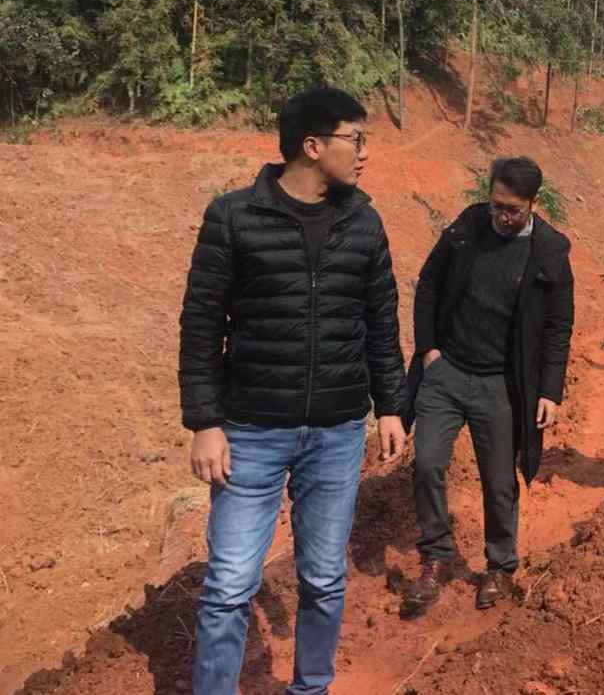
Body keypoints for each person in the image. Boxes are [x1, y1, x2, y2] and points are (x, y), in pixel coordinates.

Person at [179, 86, 408, 695]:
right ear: (312, 146)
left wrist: (391, 406)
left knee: (325, 579)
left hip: (336, 432)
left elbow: (381, 322)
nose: (364, 153)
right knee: (229, 585)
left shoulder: (364, 222)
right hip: (249, 432)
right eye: (355, 139)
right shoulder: (234, 217)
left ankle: (311, 688)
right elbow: (201, 324)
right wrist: (205, 421)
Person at [402, 156, 575, 615]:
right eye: (496, 204)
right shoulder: (467, 228)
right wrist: (429, 350)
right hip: (447, 372)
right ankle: (436, 557)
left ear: (533, 203)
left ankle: (500, 565)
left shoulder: (549, 252)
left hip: (501, 384)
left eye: (512, 209)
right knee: (427, 463)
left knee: (498, 482)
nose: (501, 216)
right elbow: (429, 284)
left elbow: (558, 328)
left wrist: (550, 391)